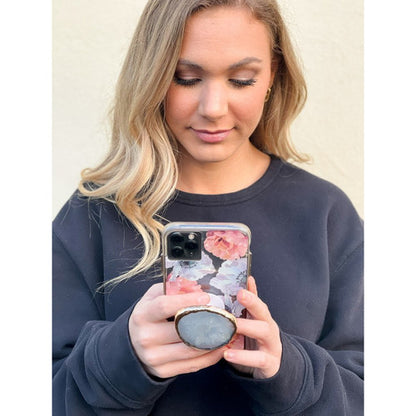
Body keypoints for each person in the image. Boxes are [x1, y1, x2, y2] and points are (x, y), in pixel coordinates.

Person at [52, 0, 363, 414]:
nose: (213, 108)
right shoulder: (93, 213)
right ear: (152, 78)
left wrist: (290, 372)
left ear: (273, 76)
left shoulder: (326, 214)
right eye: (185, 78)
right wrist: (122, 360)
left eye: (241, 80)